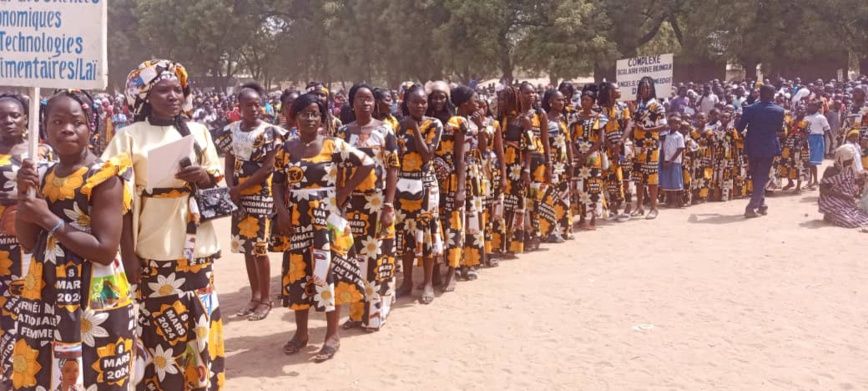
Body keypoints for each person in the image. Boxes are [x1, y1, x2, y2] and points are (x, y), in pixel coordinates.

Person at [103, 60, 226, 389]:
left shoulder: (198, 132)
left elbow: (216, 180)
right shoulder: (128, 137)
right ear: (144, 96)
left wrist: (202, 176)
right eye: (163, 90)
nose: (173, 96)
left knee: (199, 317)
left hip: (197, 247)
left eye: (177, 89)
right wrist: (128, 256)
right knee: (158, 327)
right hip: (152, 249)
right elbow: (118, 201)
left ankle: (199, 382)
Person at [13, 90, 135, 390]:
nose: (67, 128)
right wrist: (23, 197)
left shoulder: (104, 177)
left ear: (90, 128)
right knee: (49, 369)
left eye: (76, 122)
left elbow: (105, 250)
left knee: (96, 369)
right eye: (57, 121)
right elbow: (28, 242)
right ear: (44, 129)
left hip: (94, 289)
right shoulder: (41, 174)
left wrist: (47, 219)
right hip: (48, 289)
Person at [271, 93, 373, 361]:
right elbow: (277, 182)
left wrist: (344, 193)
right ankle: (301, 334)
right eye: (304, 113)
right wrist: (281, 211)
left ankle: (332, 335)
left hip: (327, 223)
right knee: (300, 276)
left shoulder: (334, 145)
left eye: (315, 113)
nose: (309, 118)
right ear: (294, 118)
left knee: (329, 275)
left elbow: (367, 163)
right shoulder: (285, 149)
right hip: (297, 223)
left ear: (322, 118)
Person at [213, 83, 286, 321]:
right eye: (249, 105)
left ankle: (266, 299)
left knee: (260, 248)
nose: (254, 109)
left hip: (260, 195)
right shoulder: (231, 131)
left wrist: (239, 188)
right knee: (247, 247)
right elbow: (228, 160)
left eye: (257, 104)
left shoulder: (271, 132)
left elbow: (267, 169)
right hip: (239, 196)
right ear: (239, 107)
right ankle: (254, 296)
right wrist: (231, 186)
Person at [334, 84, 399, 331]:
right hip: (350, 203)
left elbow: (393, 167)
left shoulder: (385, 130)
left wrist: (389, 204)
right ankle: (356, 314)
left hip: (378, 201)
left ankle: (374, 316)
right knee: (352, 258)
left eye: (369, 99)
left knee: (376, 256)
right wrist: (338, 201)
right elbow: (337, 168)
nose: (366, 103)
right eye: (360, 99)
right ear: (352, 103)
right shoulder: (342, 132)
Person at [393, 85, 444, 304]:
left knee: (427, 232)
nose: (419, 105)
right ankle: (406, 282)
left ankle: (428, 283)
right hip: (403, 184)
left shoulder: (434, 124)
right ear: (406, 102)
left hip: (425, 186)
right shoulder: (397, 125)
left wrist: (414, 127)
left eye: (423, 102)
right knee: (406, 233)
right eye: (415, 102)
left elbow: (427, 154)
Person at [449, 86, 487, 280]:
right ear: (464, 104)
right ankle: (459, 263)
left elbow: (483, 148)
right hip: (463, 174)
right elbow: (459, 157)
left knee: (473, 218)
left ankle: (470, 261)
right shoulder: (458, 123)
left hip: (475, 173)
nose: (478, 102)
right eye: (474, 100)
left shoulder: (473, 122)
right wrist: (461, 187)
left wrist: (480, 127)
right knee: (461, 219)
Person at [737, 84, 784, 218]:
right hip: (769, 146)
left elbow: (740, 128)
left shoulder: (750, 109)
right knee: (761, 176)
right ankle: (752, 207)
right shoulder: (779, 110)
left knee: (756, 175)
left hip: (752, 146)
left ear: (760, 94)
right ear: (772, 95)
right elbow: (779, 129)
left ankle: (761, 204)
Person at [626, 76, 666, 219]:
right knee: (638, 176)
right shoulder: (638, 105)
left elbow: (664, 125)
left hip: (651, 145)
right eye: (642, 87)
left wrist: (648, 130)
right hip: (638, 145)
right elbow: (634, 123)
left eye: (648, 87)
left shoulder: (657, 106)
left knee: (651, 177)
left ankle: (654, 208)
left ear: (652, 89)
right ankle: (639, 206)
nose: (645, 90)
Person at [569, 85, 606, 230]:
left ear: (593, 102)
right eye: (582, 99)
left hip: (593, 156)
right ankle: (582, 217)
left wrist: (588, 153)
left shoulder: (599, 118)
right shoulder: (575, 117)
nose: (583, 102)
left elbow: (600, 140)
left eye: (587, 100)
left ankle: (593, 218)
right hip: (579, 157)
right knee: (580, 187)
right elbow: (570, 138)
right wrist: (578, 154)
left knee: (594, 187)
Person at [541, 89, 573, 240]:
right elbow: (545, 142)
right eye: (558, 100)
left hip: (563, 163)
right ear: (550, 102)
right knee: (551, 196)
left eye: (562, 100)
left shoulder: (563, 119)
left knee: (563, 196)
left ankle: (565, 228)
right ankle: (551, 231)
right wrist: (548, 163)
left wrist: (571, 162)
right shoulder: (545, 120)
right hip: (552, 163)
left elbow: (568, 142)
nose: (561, 102)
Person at [818, 145, 868, 231]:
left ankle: (833, 216)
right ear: (840, 159)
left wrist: (862, 180)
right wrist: (843, 195)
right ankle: (829, 215)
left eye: (852, 159)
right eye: (849, 160)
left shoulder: (849, 169)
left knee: (862, 215)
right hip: (832, 202)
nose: (852, 162)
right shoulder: (830, 170)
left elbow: (850, 182)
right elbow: (822, 190)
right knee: (849, 221)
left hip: (846, 203)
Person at [660, 113, 686, 207]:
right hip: (666, 161)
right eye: (675, 123)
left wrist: (671, 161)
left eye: (679, 123)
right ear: (670, 124)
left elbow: (680, 149)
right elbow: (663, 148)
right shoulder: (666, 135)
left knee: (675, 181)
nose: (678, 125)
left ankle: (674, 201)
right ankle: (669, 200)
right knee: (667, 180)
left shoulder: (679, 136)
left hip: (675, 162)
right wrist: (664, 160)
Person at [805, 101, 830, 189]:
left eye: (812, 106)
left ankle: (815, 181)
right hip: (807, 139)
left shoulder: (821, 117)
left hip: (817, 139)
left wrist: (831, 142)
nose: (809, 108)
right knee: (808, 161)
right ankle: (809, 180)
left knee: (813, 162)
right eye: (809, 106)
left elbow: (827, 130)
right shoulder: (806, 117)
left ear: (816, 107)